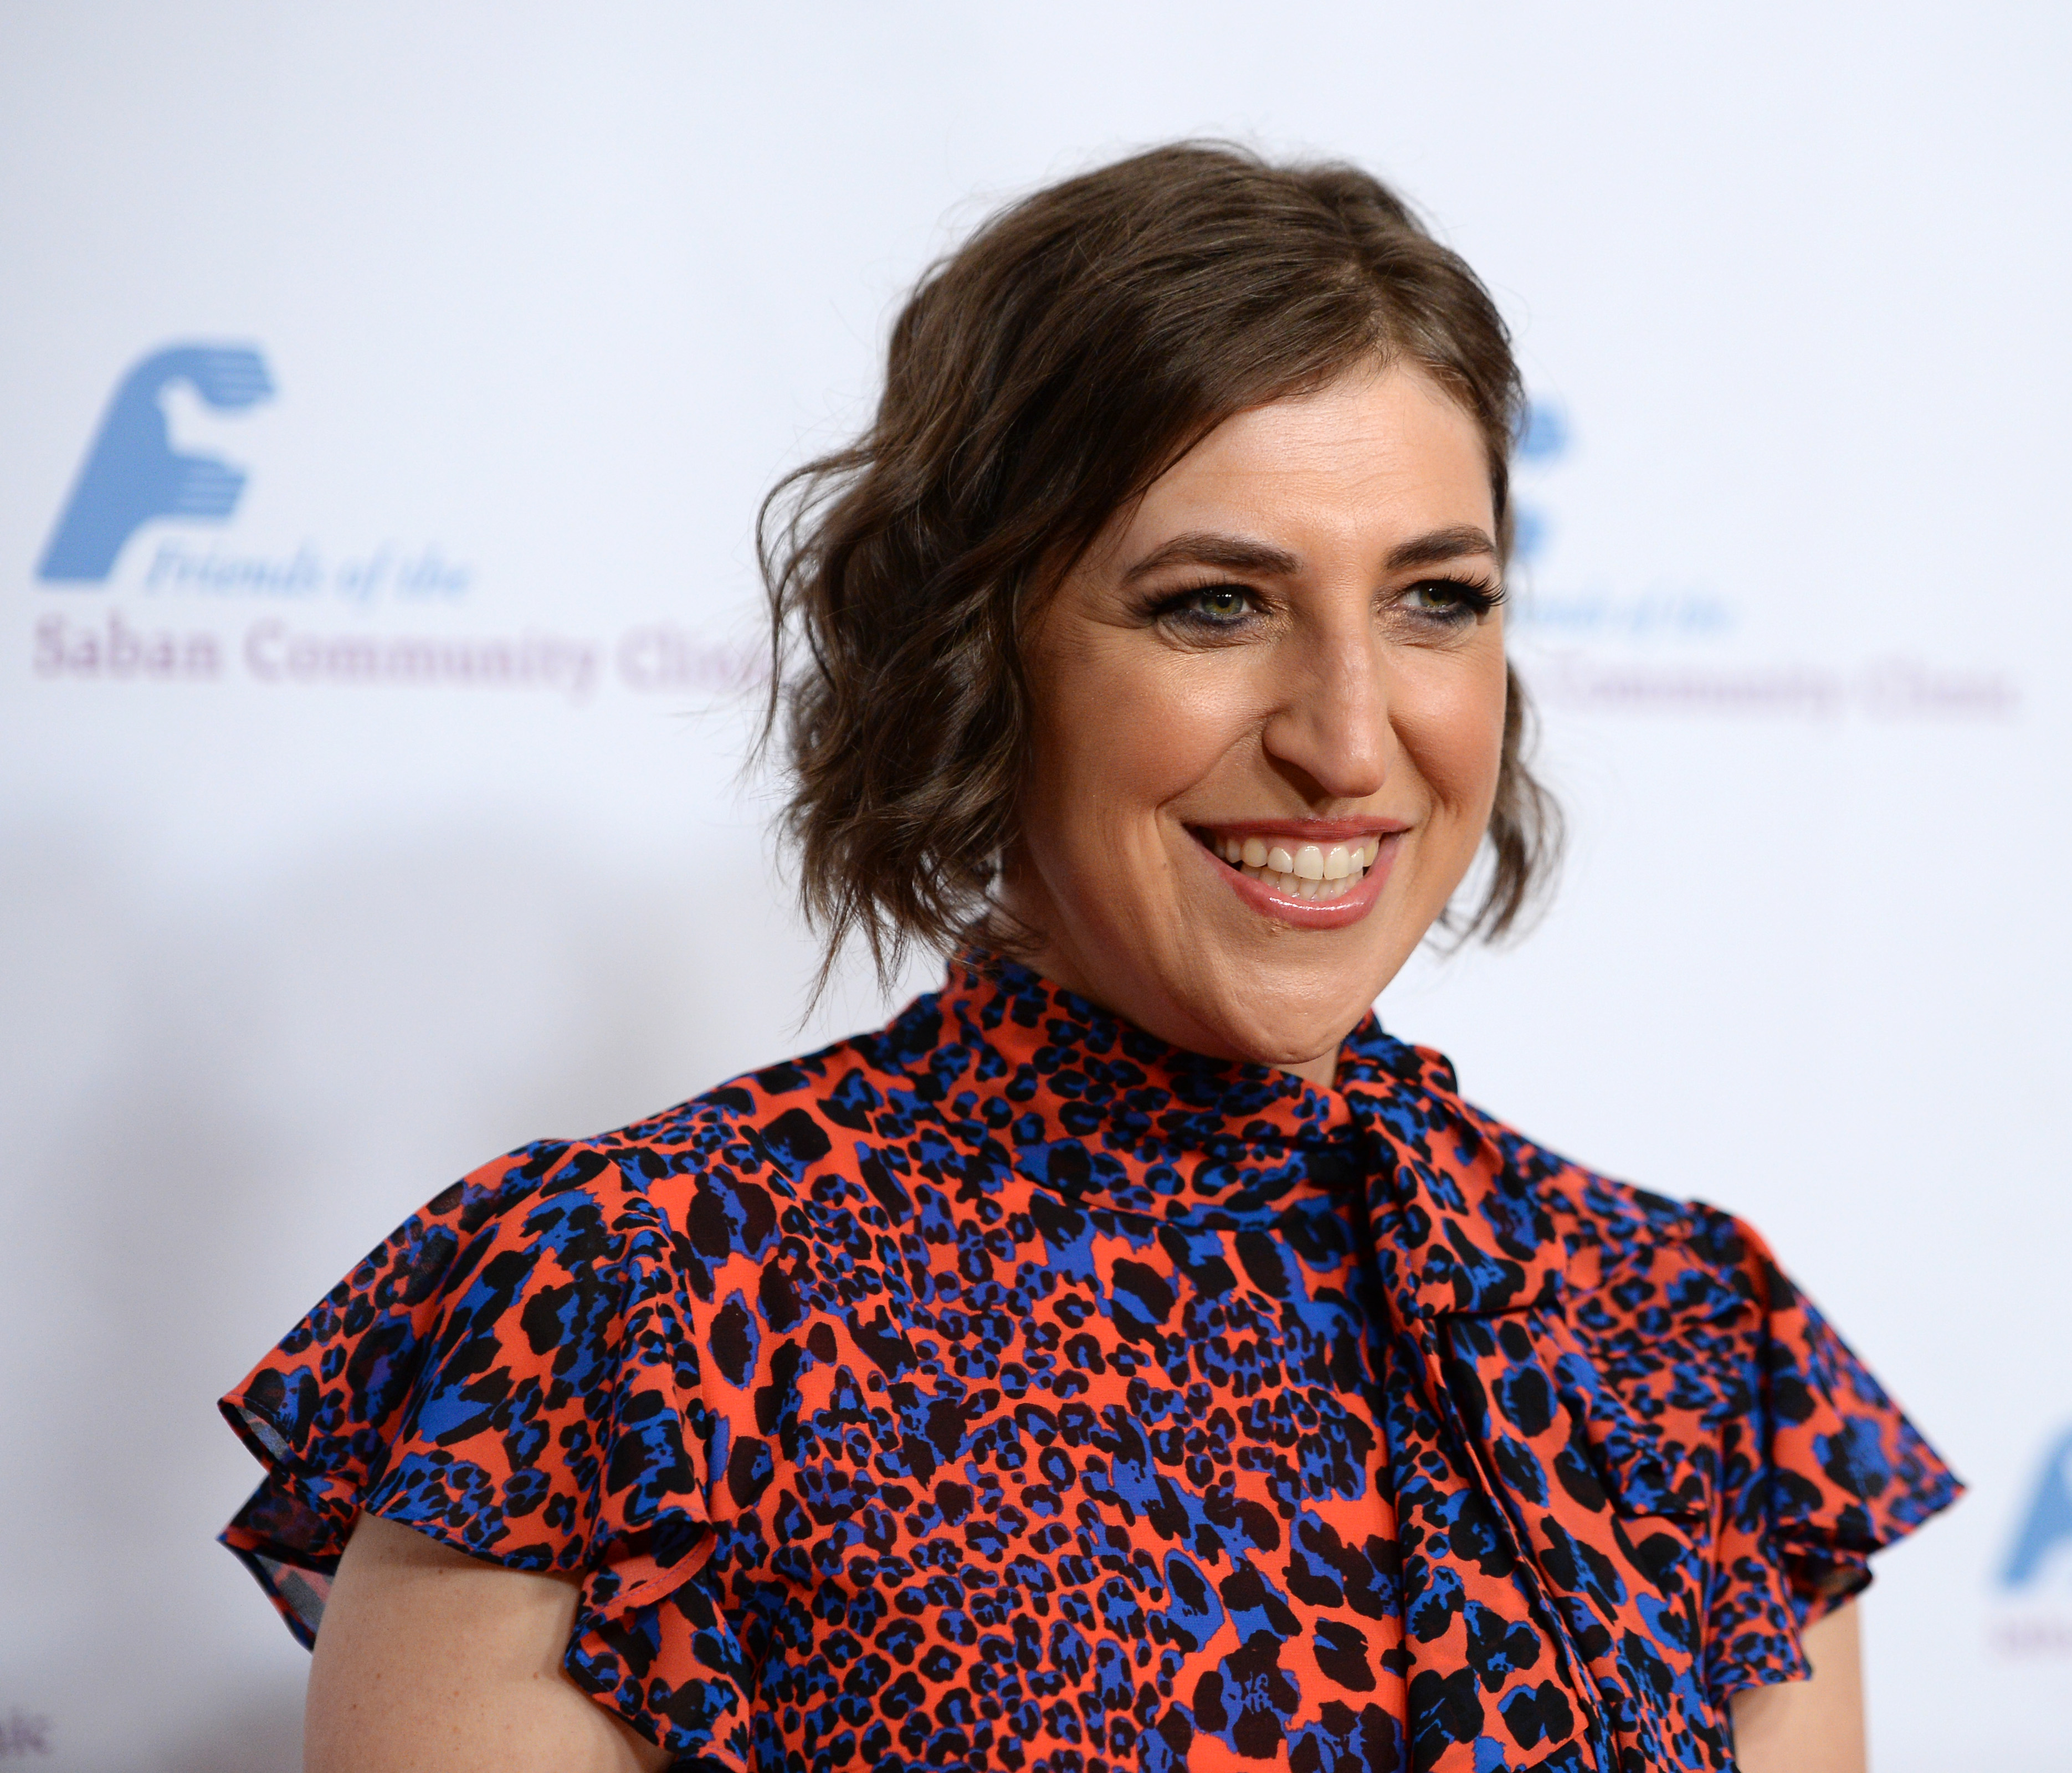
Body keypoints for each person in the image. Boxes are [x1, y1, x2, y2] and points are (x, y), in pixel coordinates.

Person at [218, 142, 1960, 1773]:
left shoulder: (1690, 1337)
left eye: (1437, 597)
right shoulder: (627, 1309)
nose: (1353, 741)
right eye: (1216, 602)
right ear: (975, 657)